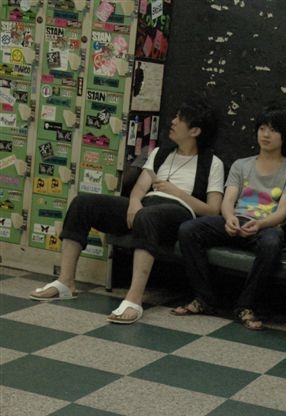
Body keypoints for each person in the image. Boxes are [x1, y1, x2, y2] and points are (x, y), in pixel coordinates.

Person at [30, 95, 224, 324]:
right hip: (146, 206)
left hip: (180, 212)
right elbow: (140, 188)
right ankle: (66, 282)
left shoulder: (213, 163)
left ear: (195, 131)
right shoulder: (160, 153)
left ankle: (134, 299)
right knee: (83, 203)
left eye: (180, 119)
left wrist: (178, 193)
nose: (173, 121)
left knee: (148, 216)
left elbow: (212, 210)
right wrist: (134, 203)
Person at [173, 103, 286, 330]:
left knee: (272, 243)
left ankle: (246, 305)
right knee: (188, 230)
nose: (265, 134)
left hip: (266, 227)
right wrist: (229, 217)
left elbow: (282, 212)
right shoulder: (241, 165)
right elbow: (228, 200)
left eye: (273, 130)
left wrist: (260, 224)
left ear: (285, 136)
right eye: (262, 128)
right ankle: (204, 298)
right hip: (235, 220)